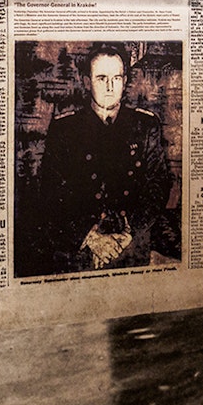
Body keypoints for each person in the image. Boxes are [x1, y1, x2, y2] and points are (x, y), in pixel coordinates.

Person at [23, 43, 177, 276]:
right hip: (80, 250)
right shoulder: (65, 129)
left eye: (117, 78)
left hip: (130, 247)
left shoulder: (145, 126)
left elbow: (157, 186)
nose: (110, 87)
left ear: (125, 81)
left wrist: (128, 233)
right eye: (101, 78)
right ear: (87, 82)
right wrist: (92, 238)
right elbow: (51, 193)